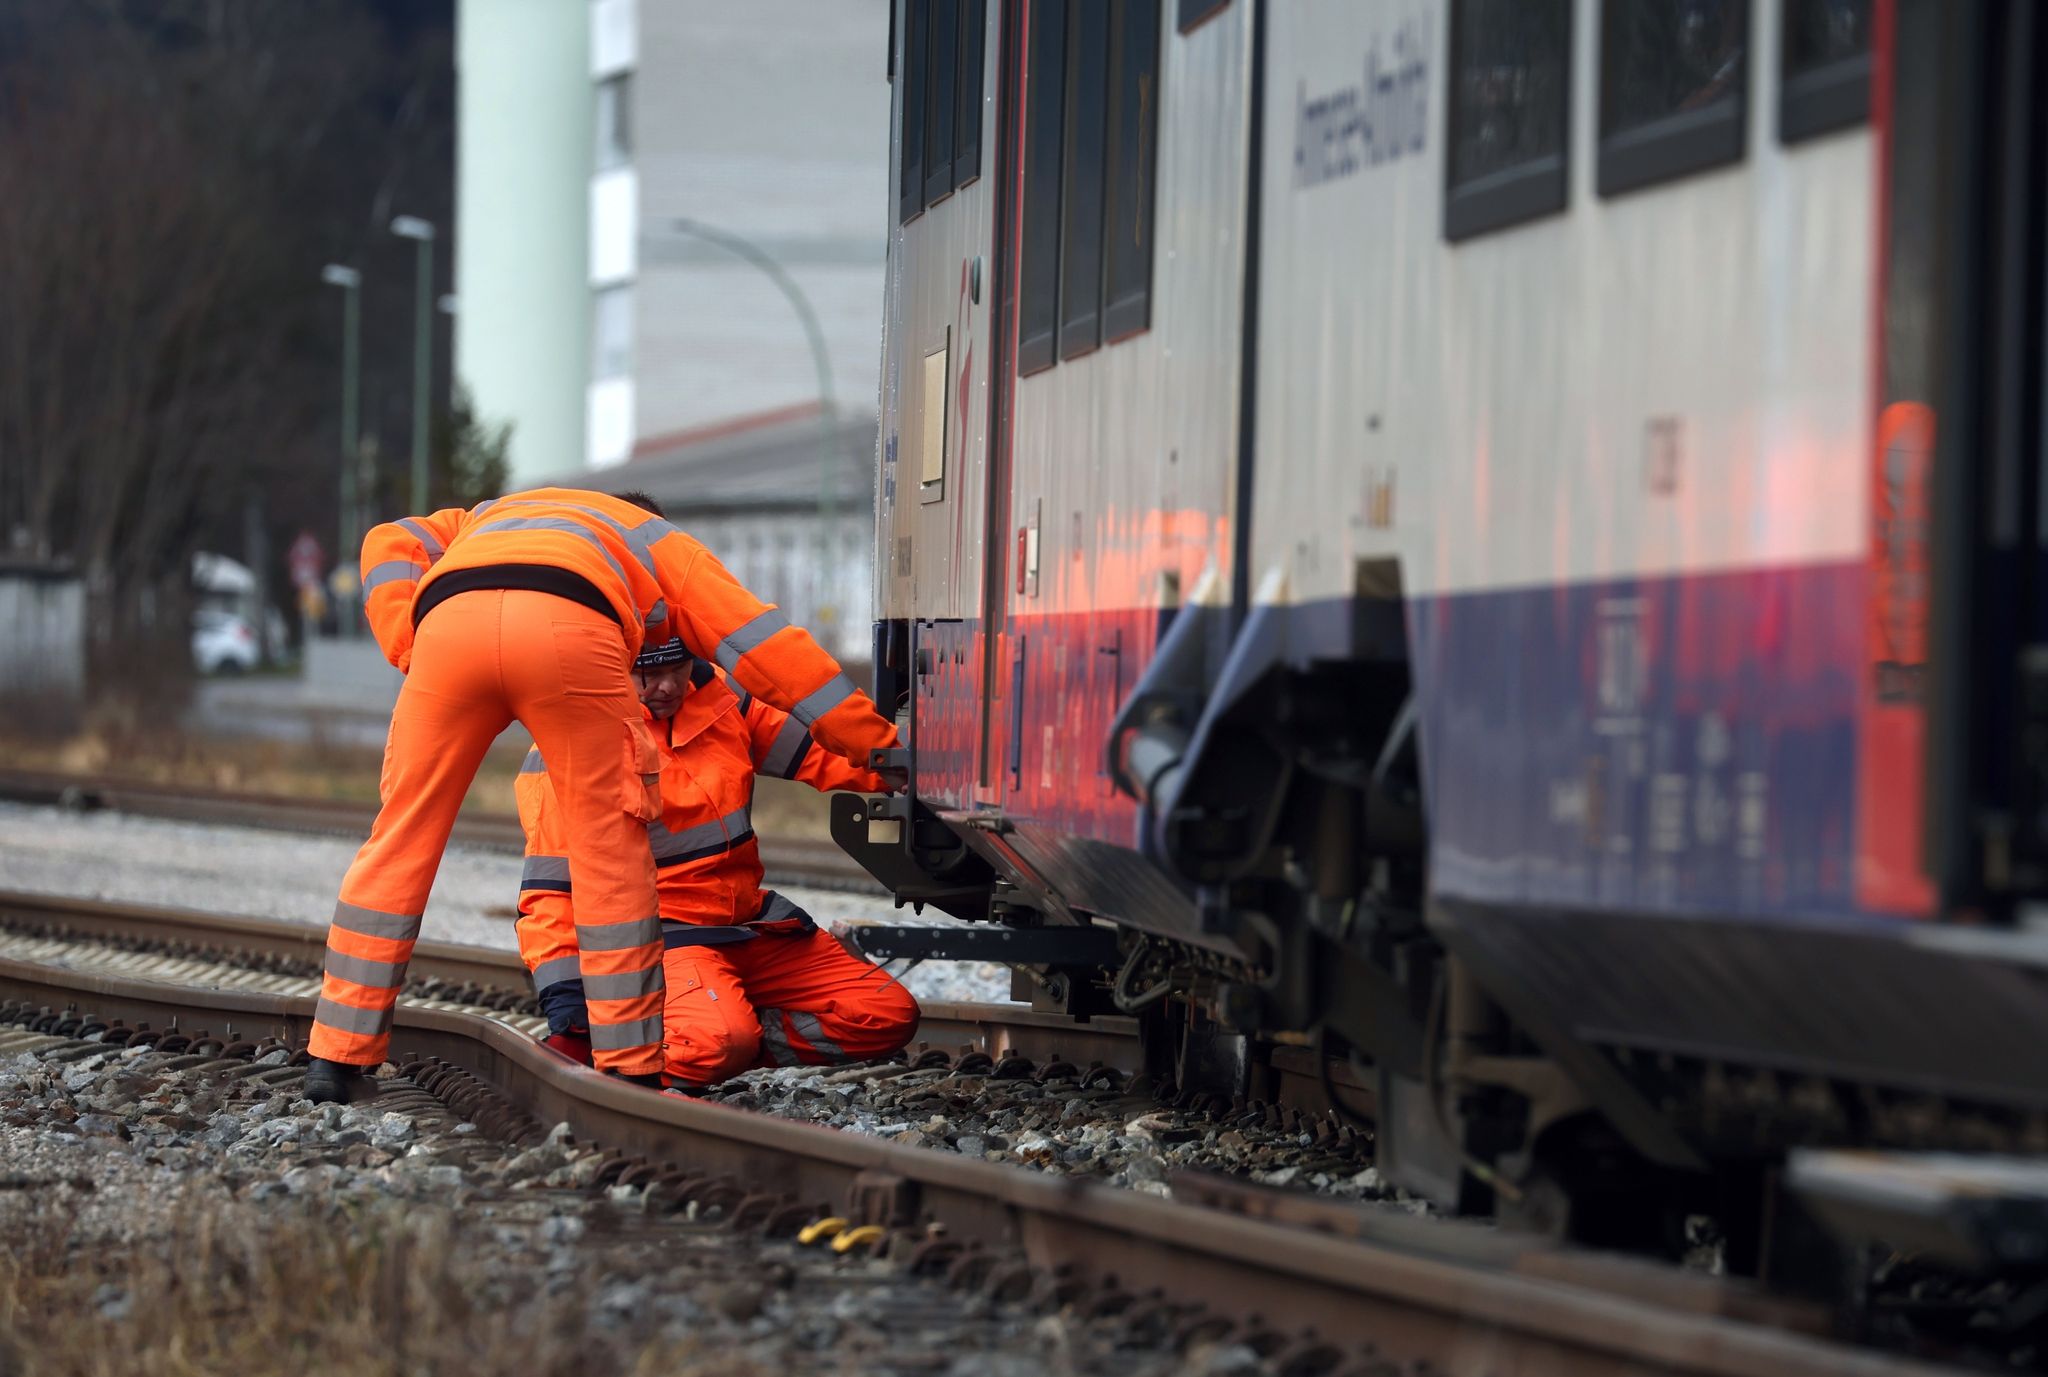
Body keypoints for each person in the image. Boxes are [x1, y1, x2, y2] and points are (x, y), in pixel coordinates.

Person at [303, 488, 897, 1102]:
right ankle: (629, 1065)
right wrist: (885, 747)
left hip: (449, 629)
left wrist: (409, 642)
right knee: (611, 852)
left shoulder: (486, 517)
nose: (661, 679)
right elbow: (772, 652)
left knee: (399, 840)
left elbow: (389, 539)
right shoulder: (657, 542)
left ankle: (336, 1055)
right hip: (569, 632)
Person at [516, 636, 918, 1089]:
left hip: (748, 925)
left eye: (678, 668)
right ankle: (646, 1060)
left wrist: (911, 765)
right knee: (715, 1043)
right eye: (648, 675)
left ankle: (723, 1034)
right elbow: (551, 892)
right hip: (663, 938)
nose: (668, 686)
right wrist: (570, 1015)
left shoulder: (724, 699)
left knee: (886, 1015)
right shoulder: (572, 746)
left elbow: (829, 750)